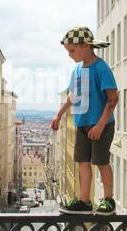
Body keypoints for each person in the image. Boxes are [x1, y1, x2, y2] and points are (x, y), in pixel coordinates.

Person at [51, 27, 119, 216]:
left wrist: (100, 125)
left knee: (101, 162)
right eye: (68, 52)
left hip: (101, 126)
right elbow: (72, 95)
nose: (70, 55)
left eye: (72, 51)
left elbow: (113, 98)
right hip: (82, 124)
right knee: (82, 161)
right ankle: (84, 201)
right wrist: (59, 114)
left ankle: (108, 200)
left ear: (86, 46)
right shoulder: (77, 70)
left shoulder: (101, 68)